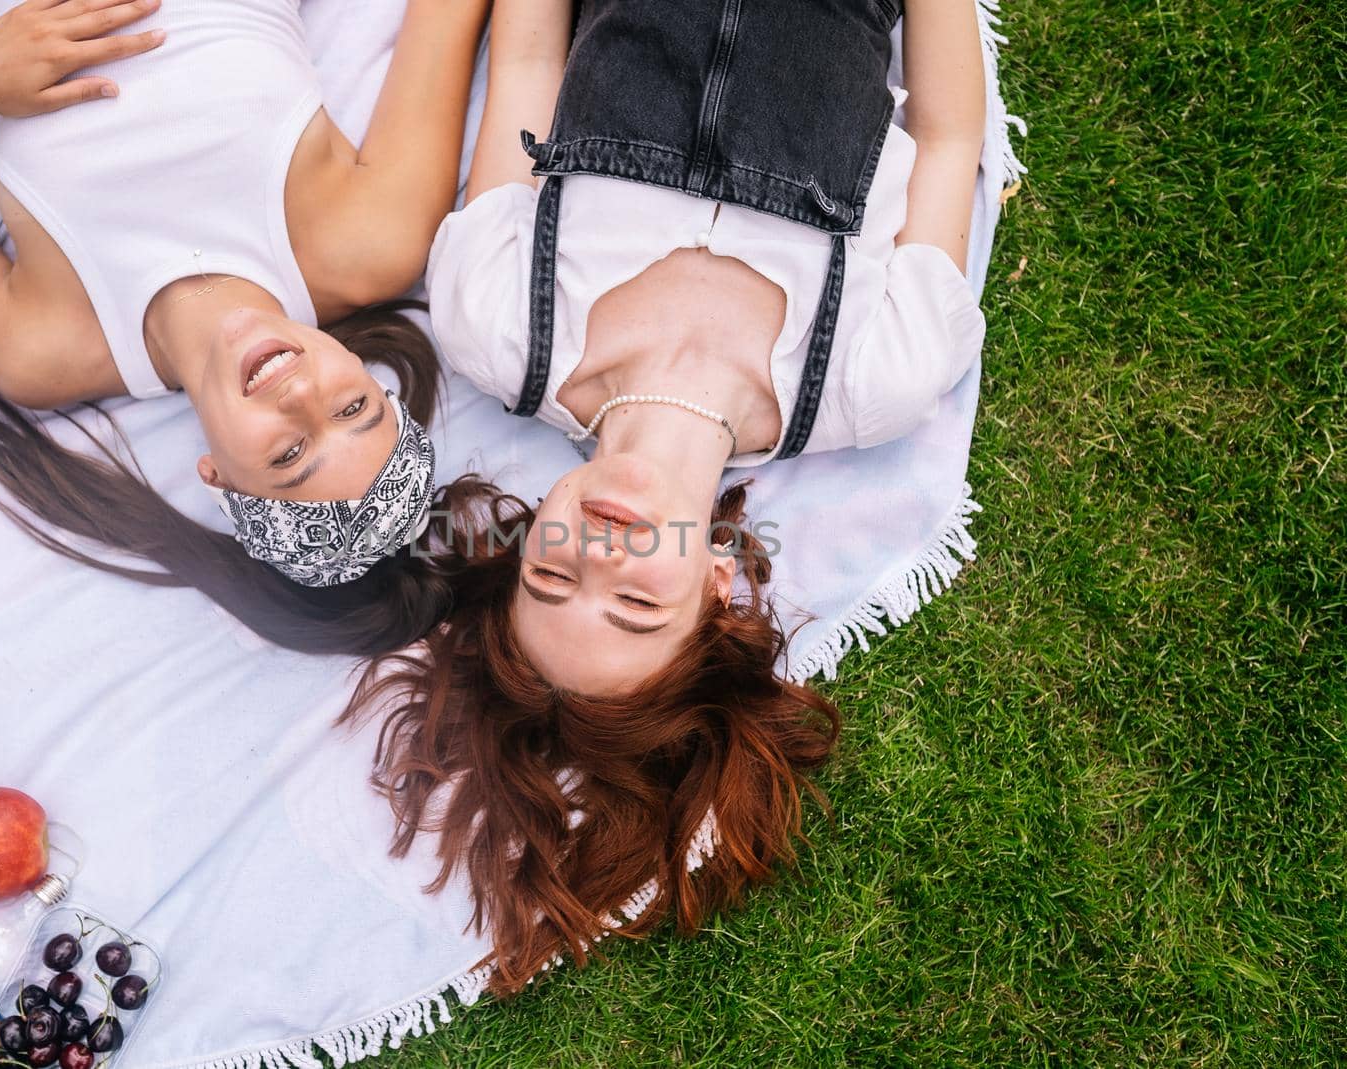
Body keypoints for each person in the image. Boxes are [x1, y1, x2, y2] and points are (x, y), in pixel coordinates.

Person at [355, 0, 988, 990]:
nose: (596, 558)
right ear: (717, 597)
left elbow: (526, 48)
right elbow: (949, 136)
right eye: (636, 604)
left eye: (550, 578)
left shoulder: (497, 326)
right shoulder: (877, 377)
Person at [0, 0, 493, 653]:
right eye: (354, 406)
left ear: (219, 478)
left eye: (288, 453)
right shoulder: (370, 244)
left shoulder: (45, 350)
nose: (300, 397)